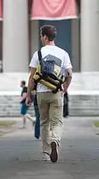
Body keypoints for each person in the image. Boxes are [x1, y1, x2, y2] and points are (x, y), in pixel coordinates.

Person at [26, 25, 73, 163]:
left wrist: (28, 94)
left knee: (44, 123)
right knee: (57, 122)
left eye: (41, 36)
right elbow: (70, 74)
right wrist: (65, 88)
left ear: (45, 37)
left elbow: (31, 76)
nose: (41, 38)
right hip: (56, 92)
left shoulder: (38, 53)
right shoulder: (63, 53)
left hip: (41, 93)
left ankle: (46, 153)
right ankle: (55, 141)